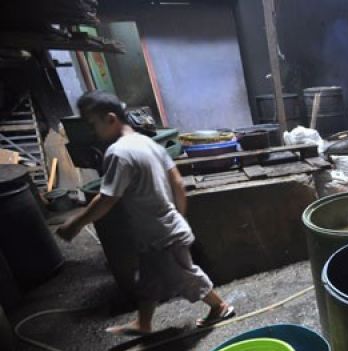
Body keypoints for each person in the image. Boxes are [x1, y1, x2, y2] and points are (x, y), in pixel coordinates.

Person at [57, 91, 234, 335]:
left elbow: (106, 199)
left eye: (92, 124)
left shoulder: (119, 153)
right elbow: (179, 185)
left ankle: (220, 306)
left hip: (161, 234)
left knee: (183, 276)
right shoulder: (147, 143)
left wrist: (75, 224)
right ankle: (144, 323)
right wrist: (178, 218)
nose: (92, 131)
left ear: (110, 119)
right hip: (161, 230)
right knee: (147, 281)